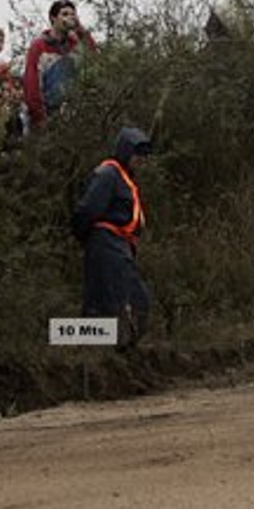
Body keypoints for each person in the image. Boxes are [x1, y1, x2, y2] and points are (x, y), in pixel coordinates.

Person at [70, 126, 154, 347]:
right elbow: (87, 209)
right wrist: (86, 237)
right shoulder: (108, 173)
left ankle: (98, 348)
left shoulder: (126, 178)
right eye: (138, 153)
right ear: (126, 151)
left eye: (145, 155)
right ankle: (86, 347)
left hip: (120, 245)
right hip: (106, 244)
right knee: (120, 299)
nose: (141, 159)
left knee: (116, 300)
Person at [24, 0, 96, 127]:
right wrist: (39, 117)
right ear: (53, 18)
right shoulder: (39, 46)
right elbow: (32, 83)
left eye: (72, 14)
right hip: (48, 113)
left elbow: (93, 56)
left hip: (74, 113)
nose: (69, 17)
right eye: (64, 14)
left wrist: (80, 29)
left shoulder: (75, 44)